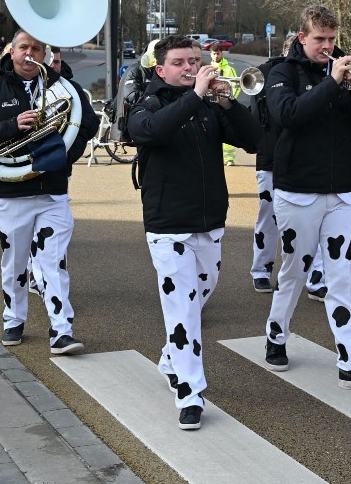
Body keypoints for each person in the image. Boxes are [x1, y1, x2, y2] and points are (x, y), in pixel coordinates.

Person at [129, 35, 262, 430]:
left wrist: (225, 102)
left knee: (200, 295)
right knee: (183, 307)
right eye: (181, 62)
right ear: (161, 69)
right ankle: (189, 392)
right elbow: (152, 132)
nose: (190, 68)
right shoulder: (145, 104)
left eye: (195, 61)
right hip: (168, 225)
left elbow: (254, 141)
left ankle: (171, 355)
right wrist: (196, 96)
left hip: (209, 222)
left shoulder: (207, 106)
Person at [263, 4, 351, 395]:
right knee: (294, 272)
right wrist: (331, 83)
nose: (327, 46)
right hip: (297, 191)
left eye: (332, 39)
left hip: (340, 191)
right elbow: (289, 115)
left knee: (340, 278)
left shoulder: (340, 73)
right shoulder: (282, 72)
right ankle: (275, 333)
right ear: (303, 38)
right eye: (320, 39)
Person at [0, 29, 98, 355]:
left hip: (53, 191)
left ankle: (61, 330)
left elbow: (89, 123)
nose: (29, 53)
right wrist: (13, 125)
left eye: (36, 48)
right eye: (24, 47)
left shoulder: (60, 86)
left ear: (44, 54)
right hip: (12, 193)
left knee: (53, 262)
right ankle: (13, 319)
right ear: (11, 51)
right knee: (15, 263)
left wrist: (64, 154)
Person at [249, 33, 326, 298]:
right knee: (268, 216)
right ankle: (261, 269)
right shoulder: (267, 73)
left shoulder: (315, 73)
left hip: (305, 159)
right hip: (270, 158)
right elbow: (255, 114)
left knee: (312, 222)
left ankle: (315, 276)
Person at [209, 42, 241, 165]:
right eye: (213, 54)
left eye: (218, 53)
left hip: (225, 105)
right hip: (211, 104)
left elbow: (236, 86)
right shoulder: (207, 68)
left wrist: (230, 101)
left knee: (226, 130)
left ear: (221, 53)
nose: (216, 56)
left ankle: (229, 158)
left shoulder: (229, 69)